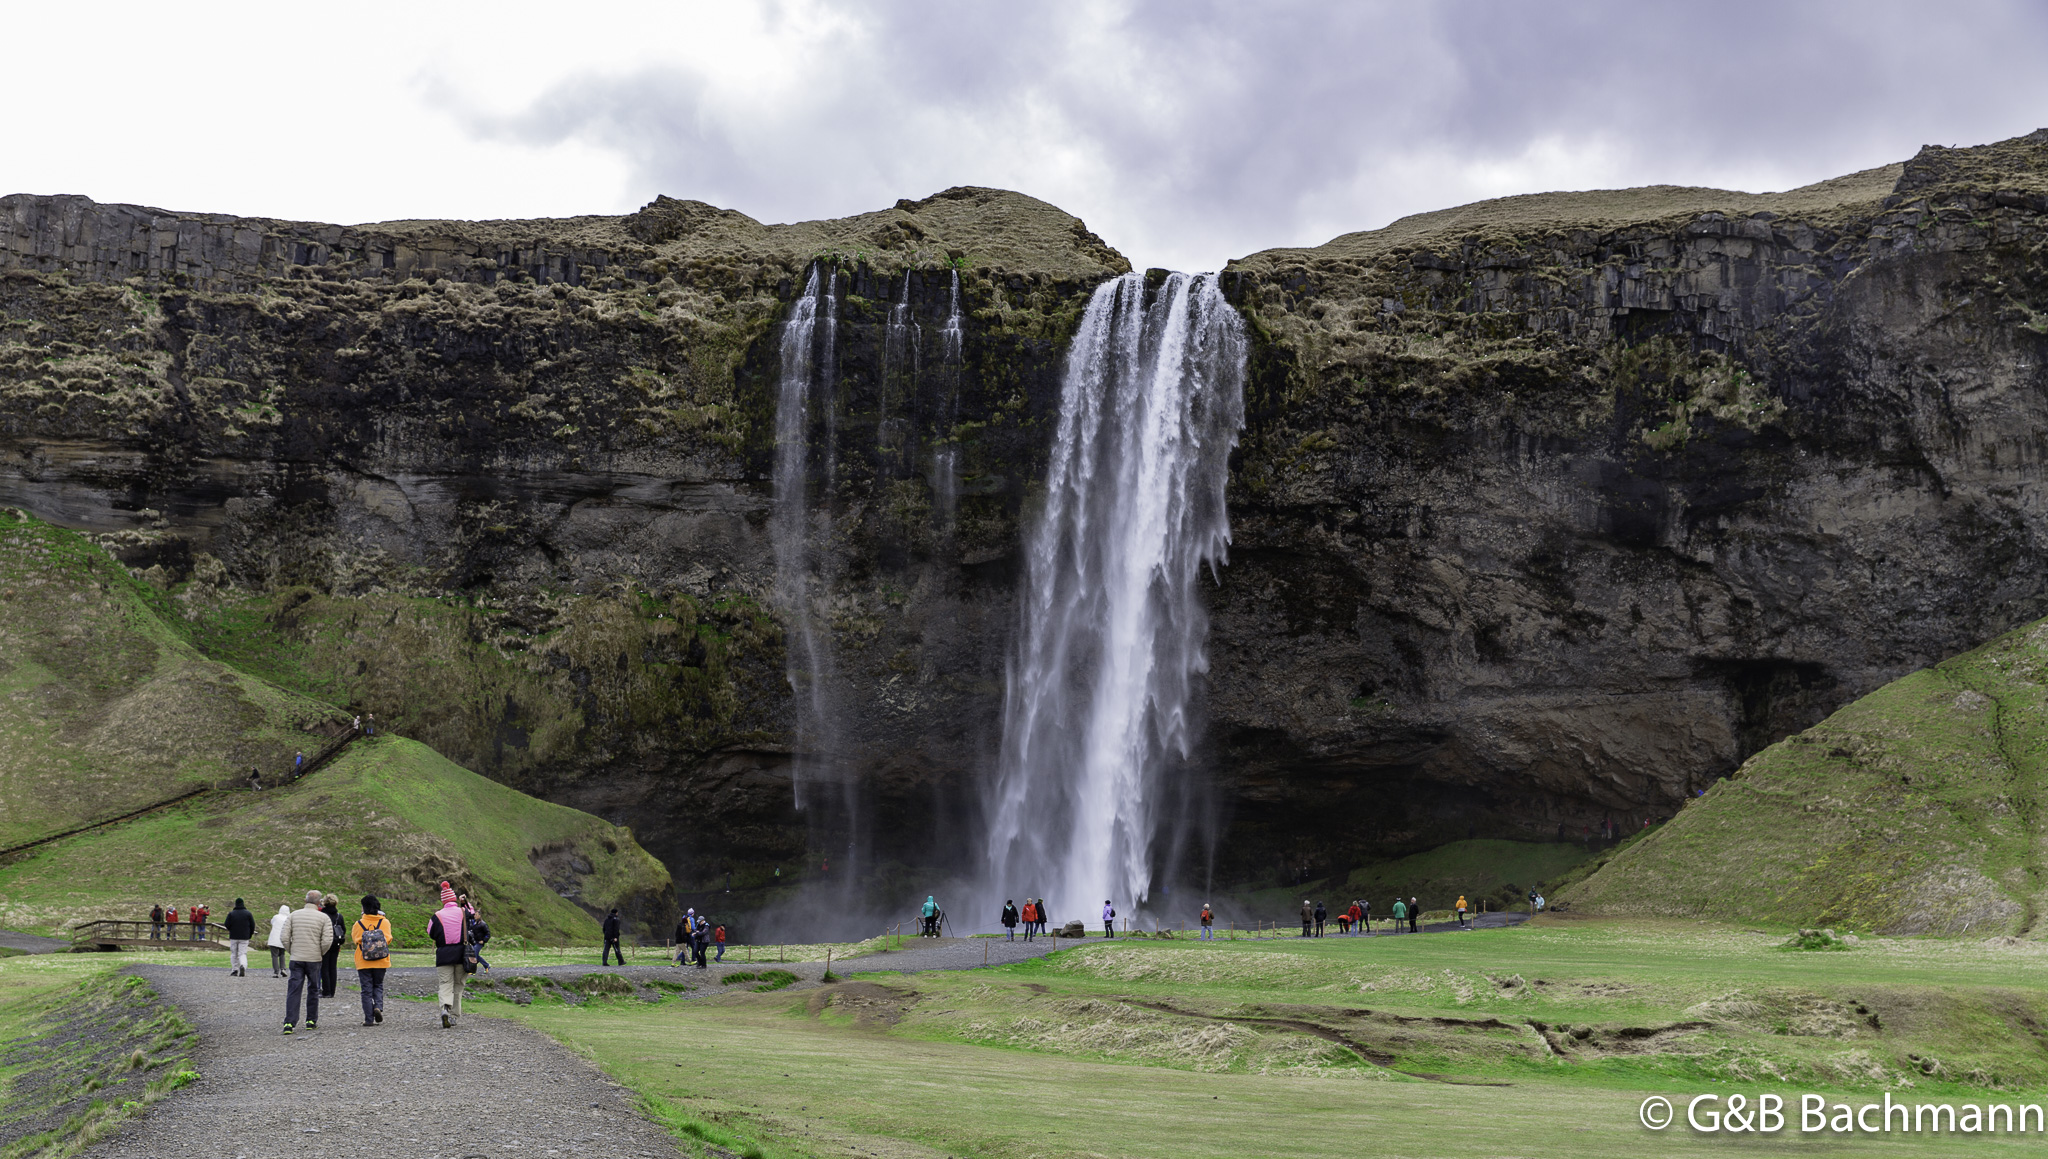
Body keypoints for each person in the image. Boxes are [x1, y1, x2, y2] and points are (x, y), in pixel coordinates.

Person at [281, 889, 335, 1034]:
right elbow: (327, 940)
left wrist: (292, 951)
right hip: (314, 958)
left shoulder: (293, 915)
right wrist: (320, 953)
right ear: (319, 903)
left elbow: (284, 937)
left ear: (305, 901)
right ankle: (311, 1020)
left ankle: (289, 1023)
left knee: (294, 990)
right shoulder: (324, 918)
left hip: (297, 958)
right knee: (313, 989)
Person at [427, 881, 470, 1028]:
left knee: (445, 984)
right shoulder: (463, 912)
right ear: (454, 899)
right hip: (461, 954)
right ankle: (454, 1016)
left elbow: (430, 933)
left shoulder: (436, 916)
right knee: (458, 985)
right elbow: (473, 918)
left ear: (443, 901)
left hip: (443, 955)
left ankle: (445, 1007)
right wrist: (465, 903)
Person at [352, 895, 393, 1026]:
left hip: (363, 961)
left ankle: (368, 1019)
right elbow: (388, 939)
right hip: (381, 960)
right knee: (378, 985)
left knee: (366, 990)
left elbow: (356, 940)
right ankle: (378, 1007)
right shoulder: (384, 922)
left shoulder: (358, 924)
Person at [319, 895, 344, 997]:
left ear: (324, 903)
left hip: (324, 943)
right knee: (332, 967)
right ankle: (332, 991)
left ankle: (326, 990)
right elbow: (343, 930)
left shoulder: (321, 915)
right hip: (336, 944)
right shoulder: (339, 916)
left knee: (324, 967)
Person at [223, 898, 255, 976]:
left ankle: (234, 970)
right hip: (244, 937)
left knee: (234, 953)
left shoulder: (231, 913)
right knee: (242, 953)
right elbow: (252, 925)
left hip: (234, 936)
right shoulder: (248, 914)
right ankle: (243, 966)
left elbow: (226, 924)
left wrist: (231, 929)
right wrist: (249, 934)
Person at [266, 903, 291, 976]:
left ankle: (276, 972)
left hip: (274, 939)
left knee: (274, 956)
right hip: (283, 939)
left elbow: (272, 923)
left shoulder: (276, 917)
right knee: (282, 954)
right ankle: (283, 969)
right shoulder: (288, 918)